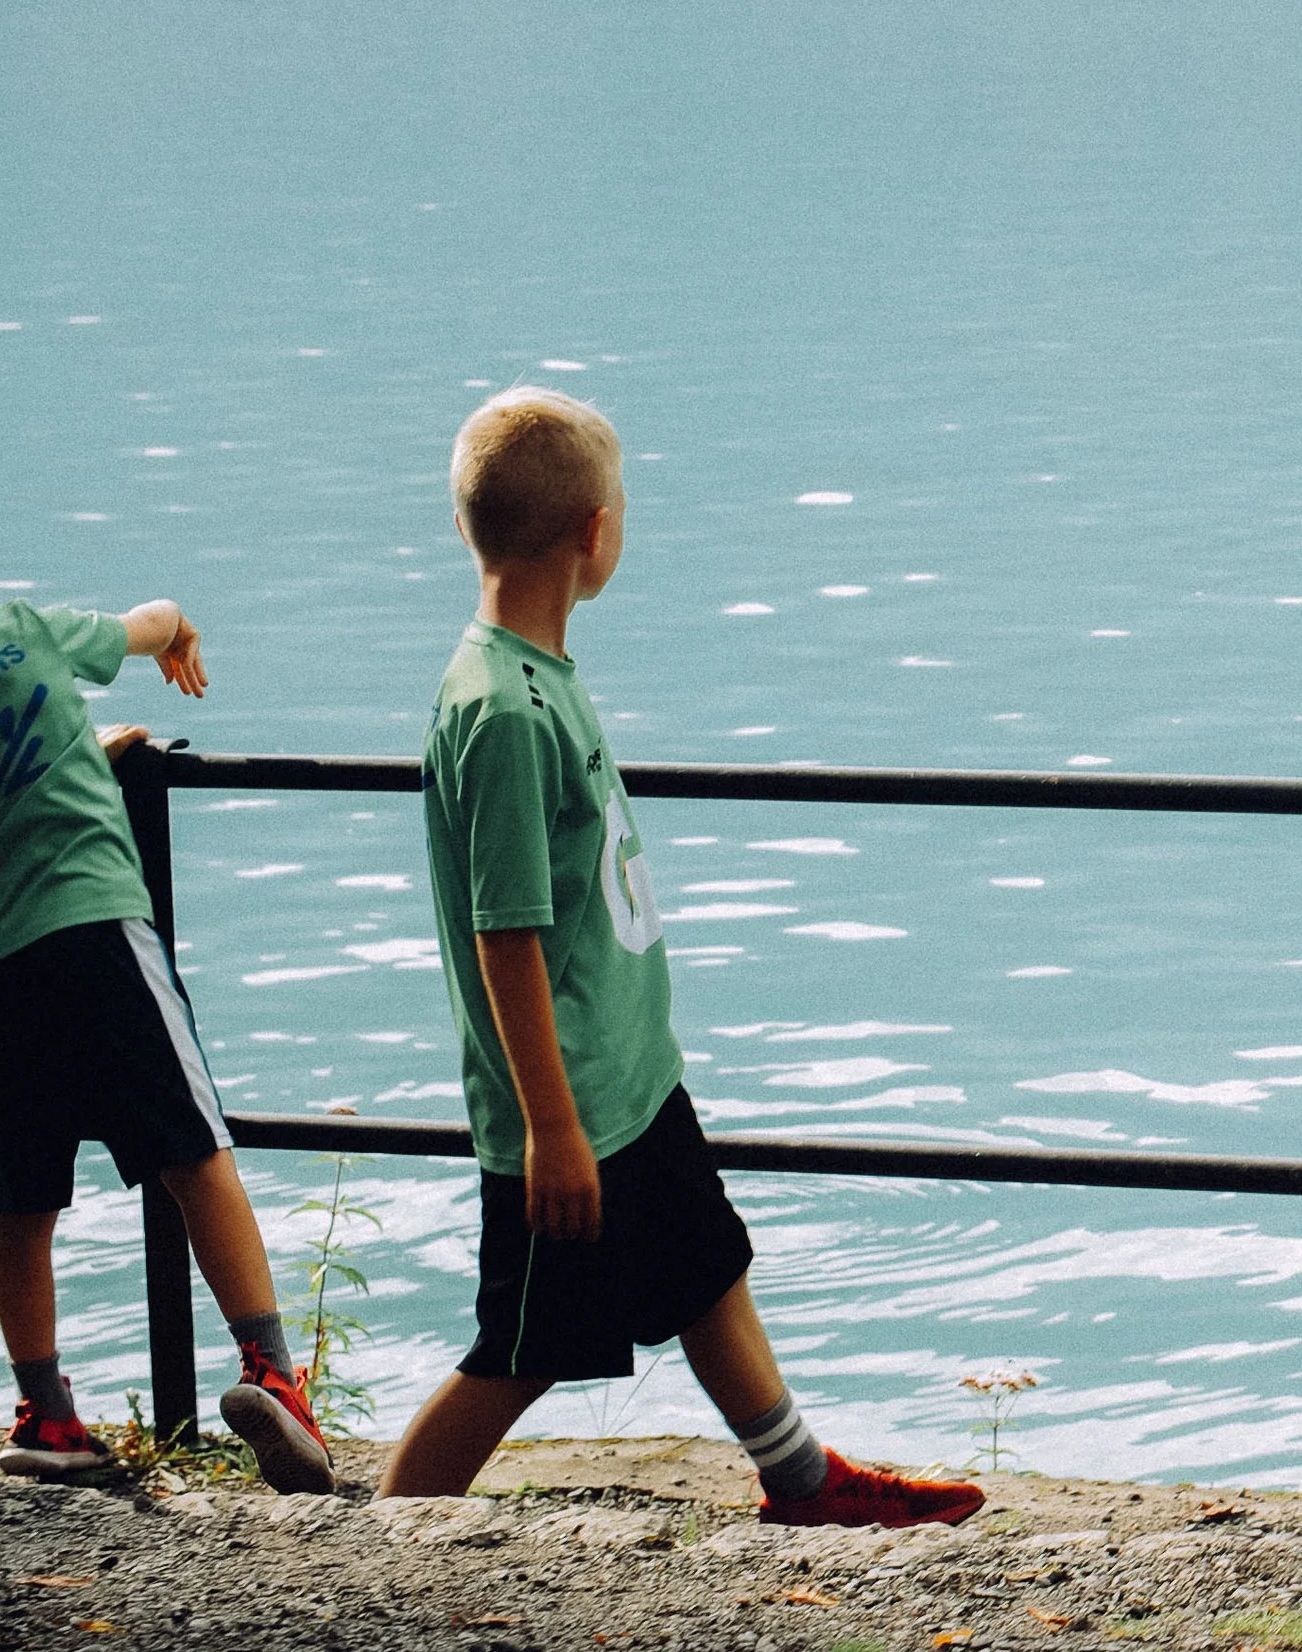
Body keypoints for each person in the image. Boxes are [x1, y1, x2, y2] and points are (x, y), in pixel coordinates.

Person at [376, 389, 983, 1530]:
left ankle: (803, 1481)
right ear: (594, 532)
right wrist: (551, 1129)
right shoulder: (503, 710)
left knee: (706, 1262)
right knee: (520, 1348)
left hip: (624, 1074)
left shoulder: (532, 673)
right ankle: (390, 1530)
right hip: (568, 1109)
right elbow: (502, 935)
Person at [0, 468, 330, 1494]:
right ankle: (272, 1371)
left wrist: (67, 750)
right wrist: (177, 626)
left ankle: (47, 1413)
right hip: (96, 934)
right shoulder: (26, 636)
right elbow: (143, 624)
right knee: (196, 1154)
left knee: (22, 1202)